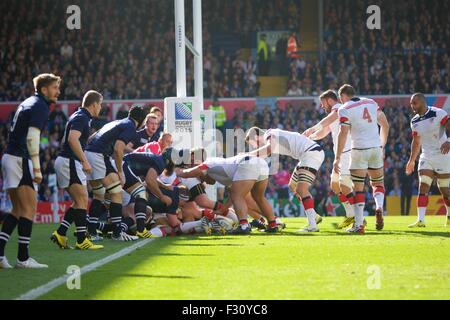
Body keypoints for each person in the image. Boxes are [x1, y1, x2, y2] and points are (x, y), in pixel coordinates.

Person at [0, 73, 61, 269]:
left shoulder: (28, 102)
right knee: (29, 208)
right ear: (44, 89)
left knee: (17, 210)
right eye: (55, 88)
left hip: (9, 157)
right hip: (20, 159)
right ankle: (23, 258)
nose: (58, 92)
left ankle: (0, 256)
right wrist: (36, 166)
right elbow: (32, 137)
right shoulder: (41, 106)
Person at [84, 105, 147, 241]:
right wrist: (120, 172)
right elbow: (119, 149)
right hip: (99, 155)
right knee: (117, 192)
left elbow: (91, 137)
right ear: (141, 120)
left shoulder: (117, 121)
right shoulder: (130, 126)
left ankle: (91, 231)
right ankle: (117, 233)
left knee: (99, 194)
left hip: (89, 152)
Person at [51, 90, 104, 250]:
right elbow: (72, 139)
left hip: (66, 160)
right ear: (94, 104)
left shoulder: (79, 116)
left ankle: (61, 233)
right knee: (82, 198)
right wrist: (84, 160)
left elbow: (68, 139)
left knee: (79, 200)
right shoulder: (82, 118)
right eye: (100, 104)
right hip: (70, 162)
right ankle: (81, 240)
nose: (101, 108)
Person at [176, 152, 279, 234]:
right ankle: (273, 224)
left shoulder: (208, 162)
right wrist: (224, 209)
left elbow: (188, 173)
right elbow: (232, 195)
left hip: (247, 163)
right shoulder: (222, 172)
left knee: (238, 196)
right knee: (258, 197)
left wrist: (177, 172)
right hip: (261, 164)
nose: (204, 181)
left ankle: (244, 226)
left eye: (201, 178)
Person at [334, 84, 390, 234]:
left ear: (342, 96)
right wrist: (382, 145)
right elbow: (385, 124)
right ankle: (379, 206)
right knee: (378, 183)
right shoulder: (371, 102)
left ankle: (359, 225)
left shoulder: (344, 108)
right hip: (375, 148)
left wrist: (337, 157)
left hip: (359, 149)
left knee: (358, 188)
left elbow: (343, 132)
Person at [246, 127, 324, 232]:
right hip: (308, 153)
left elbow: (268, 149)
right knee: (293, 186)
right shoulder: (272, 133)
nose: (255, 146)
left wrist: (247, 156)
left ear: (256, 137)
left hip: (310, 153)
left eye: (253, 143)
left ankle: (312, 225)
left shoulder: (269, 135)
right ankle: (313, 215)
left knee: (301, 189)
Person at [303, 90, 358, 230]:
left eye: (322, 103)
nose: (321, 106)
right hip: (340, 153)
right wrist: (310, 137)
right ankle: (351, 213)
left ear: (329, 100)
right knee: (334, 185)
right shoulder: (334, 115)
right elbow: (324, 131)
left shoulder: (339, 109)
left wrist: (311, 129)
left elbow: (327, 121)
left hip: (346, 152)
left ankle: (358, 217)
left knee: (344, 186)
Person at [405, 93, 450, 227]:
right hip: (426, 156)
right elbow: (416, 141)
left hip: (443, 155)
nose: (412, 106)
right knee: (423, 186)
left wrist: (449, 141)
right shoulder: (414, 121)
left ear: (423, 102)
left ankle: (449, 215)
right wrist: (412, 160)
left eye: (415, 103)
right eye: (411, 104)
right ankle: (421, 220)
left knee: (445, 190)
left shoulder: (438, 113)